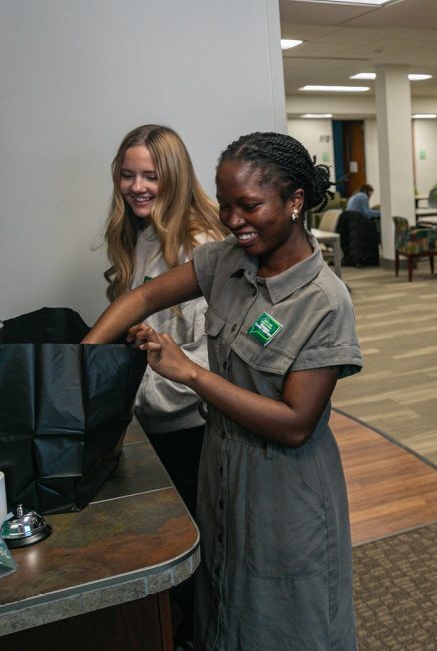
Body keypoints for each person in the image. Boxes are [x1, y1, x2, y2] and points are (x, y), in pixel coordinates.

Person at [84, 132, 362, 650]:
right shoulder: (225, 261)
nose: (233, 220)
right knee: (224, 605)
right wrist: (80, 365)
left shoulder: (324, 301)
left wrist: (190, 373)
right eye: (226, 204)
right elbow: (140, 298)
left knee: (284, 621)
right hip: (222, 467)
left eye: (249, 206)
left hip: (285, 488)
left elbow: (295, 424)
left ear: (295, 200)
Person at [102, 124, 226, 647]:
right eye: (127, 174)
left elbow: (212, 360)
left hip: (192, 434)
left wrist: (130, 395)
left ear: (174, 177)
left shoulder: (202, 246)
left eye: (151, 176)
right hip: (153, 430)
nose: (137, 186)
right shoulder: (140, 236)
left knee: (200, 568)